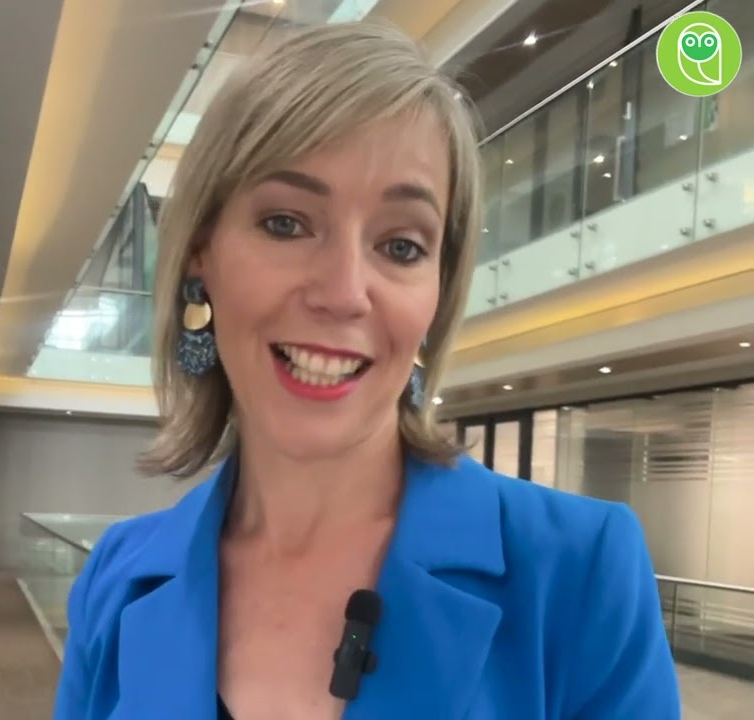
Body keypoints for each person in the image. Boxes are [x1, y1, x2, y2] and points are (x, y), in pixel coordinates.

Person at [52, 20, 681, 720]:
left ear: (438, 292)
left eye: (401, 246)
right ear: (202, 252)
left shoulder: (580, 573)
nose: (345, 292)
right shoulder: (116, 579)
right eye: (287, 223)